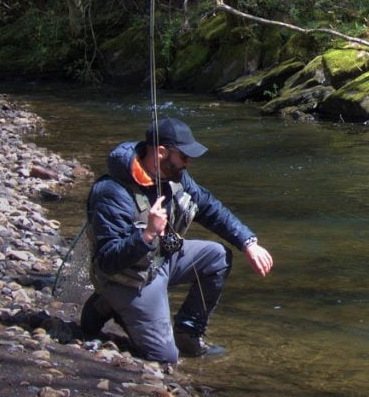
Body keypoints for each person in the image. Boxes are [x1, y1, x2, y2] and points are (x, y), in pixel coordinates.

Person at [80, 116, 273, 363]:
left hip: (161, 259)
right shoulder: (112, 192)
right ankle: (106, 303)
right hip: (129, 279)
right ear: (161, 152)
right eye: (184, 156)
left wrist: (249, 242)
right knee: (165, 358)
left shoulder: (176, 176)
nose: (188, 162)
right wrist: (147, 234)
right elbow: (106, 261)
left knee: (218, 257)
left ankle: (188, 333)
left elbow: (208, 206)